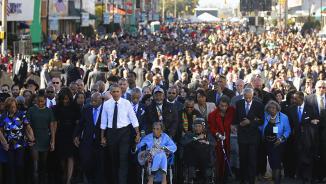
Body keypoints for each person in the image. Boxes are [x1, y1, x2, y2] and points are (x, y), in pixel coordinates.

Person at [100, 84, 141, 184]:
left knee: (123, 158)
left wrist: (138, 133)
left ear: (121, 92)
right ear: (110, 93)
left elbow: (133, 119)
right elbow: (103, 122)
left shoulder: (126, 103)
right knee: (113, 160)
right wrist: (102, 137)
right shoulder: (106, 104)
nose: (116, 94)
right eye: (113, 92)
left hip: (124, 133)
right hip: (111, 133)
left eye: (118, 91)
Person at [231, 88, 264, 184]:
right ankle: (243, 178)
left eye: (250, 98)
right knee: (243, 157)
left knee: (252, 159)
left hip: (253, 136)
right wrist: (233, 125)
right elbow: (236, 117)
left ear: (253, 95)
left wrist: (250, 122)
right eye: (246, 98)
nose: (248, 100)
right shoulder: (239, 103)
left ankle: (251, 179)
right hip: (242, 135)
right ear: (243, 96)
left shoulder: (259, 105)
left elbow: (261, 120)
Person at [0, 97, 35, 184]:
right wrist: (3, 142)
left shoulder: (21, 115)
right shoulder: (4, 117)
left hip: (20, 143)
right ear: (7, 107)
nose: (13, 109)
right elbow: (0, 130)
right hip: (9, 143)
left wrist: (32, 138)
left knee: (19, 164)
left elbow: (28, 127)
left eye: (14, 107)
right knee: (11, 165)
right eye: (11, 107)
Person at [73, 93, 105, 184]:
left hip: (100, 141)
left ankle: (99, 181)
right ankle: (91, 180)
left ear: (101, 100)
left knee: (100, 163)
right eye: (92, 101)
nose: (93, 103)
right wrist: (76, 135)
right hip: (88, 141)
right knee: (87, 163)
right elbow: (80, 124)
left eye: (95, 101)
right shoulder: (86, 110)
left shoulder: (105, 110)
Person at [288, 91, 318, 184]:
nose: (293, 100)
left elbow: (317, 122)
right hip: (296, 137)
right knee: (298, 156)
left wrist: (311, 123)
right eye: (293, 98)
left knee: (307, 157)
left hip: (308, 138)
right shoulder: (291, 108)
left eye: (295, 99)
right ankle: (301, 175)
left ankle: (307, 178)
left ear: (301, 99)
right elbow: (290, 122)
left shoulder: (310, 108)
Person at [53, 87, 81, 184]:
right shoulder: (57, 107)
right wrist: (54, 137)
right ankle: (66, 176)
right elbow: (55, 123)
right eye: (63, 99)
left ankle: (68, 180)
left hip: (72, 132)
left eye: (66, 99)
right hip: (61, 133)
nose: (65, 101)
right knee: (63, 157)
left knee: (71, 156)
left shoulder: (75, 106)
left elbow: (78, 123)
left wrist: (77, 135)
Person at [258, 101, 291, 184]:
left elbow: (288, 130)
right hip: (268, 143)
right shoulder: (266, 115)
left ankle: (277, 181)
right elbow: (261, 127)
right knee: (272, 162)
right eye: (269, 108)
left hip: (278, 143)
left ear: (277, 108)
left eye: (273, 108)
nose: (271, 110)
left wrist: (280, 139)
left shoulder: (283, 117)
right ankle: (277, 178)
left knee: (276, 162)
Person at [26, 92, 56, 183]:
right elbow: (26, 125)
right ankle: (36, 181)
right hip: (34, 137)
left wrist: (53, 140)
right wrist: (29, 137)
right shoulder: (32, 110)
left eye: (42, 102)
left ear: (45, 101)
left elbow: (52, 126)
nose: (40, 103)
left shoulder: (49, 111)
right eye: (38, 101)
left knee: (43, 163)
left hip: (45, 137)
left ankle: (42, 181)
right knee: (36, 163)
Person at [208, 96, 236, 184]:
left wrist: (234, 126)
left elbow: (237, 118)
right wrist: (216, 134)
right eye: (222, 106)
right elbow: (211, 127)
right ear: (218, 105)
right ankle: (219, 177)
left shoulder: (232, 110)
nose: (224, 108)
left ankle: (228, 175)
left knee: (230, 157)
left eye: (225, 106)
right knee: (220, 158)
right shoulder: (212, 115)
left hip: (230, 139)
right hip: (219, 140)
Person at [180, 118, 217, 184]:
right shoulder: (189, 134)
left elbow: (215, 143)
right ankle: (190, 179)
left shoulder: (207, 134)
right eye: (196, 126)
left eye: (199, 126)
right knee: (190, 157)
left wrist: (207, 142)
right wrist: (196, 138)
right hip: (193, 159)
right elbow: (183, 142)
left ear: (203, 127)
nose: (197, 128)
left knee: (205, 157)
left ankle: (208, 179)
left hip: (204, 159)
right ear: (193, 127)